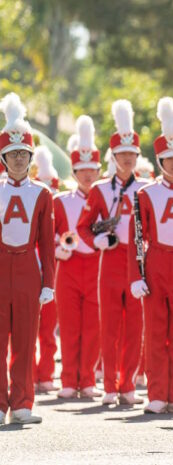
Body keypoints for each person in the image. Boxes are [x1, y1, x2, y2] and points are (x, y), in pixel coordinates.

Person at [128, 97, 173, 414]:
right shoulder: (145, 193)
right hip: (156, 264)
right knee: (156, 331)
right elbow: (135, 239)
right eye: (169, 158)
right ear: (159, 160)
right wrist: (136, 276)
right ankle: (157, 394)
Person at [77, 99, 149, 407]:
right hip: (109, 261)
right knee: (109, 326)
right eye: (122, 154)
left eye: (132, 154)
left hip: (136, 263)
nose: (128, 159)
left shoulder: (146, 188)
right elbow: (83, 226)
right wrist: (97, 241)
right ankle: (108, 385)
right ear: (113, 156)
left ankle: (128, 384)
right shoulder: (100, 190)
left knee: (135, 326)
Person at [0, 93, 55, 424]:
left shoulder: (42, 193)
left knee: (24, 341)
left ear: (31, 156)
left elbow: (47, 243)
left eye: (23, 153)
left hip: (27, 269)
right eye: (12, 154)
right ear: (3, 158)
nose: (19, 159)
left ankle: (22, 404)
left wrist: (49, 282)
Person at [54, 117, 102, 400]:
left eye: (92, 170)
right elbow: (51, 232)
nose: (87, 175)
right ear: (73, 172)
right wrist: (59, 246)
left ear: (98, 170)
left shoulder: (106, 197)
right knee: (70, 327)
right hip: (69, 267)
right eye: (81, 170)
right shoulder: (61, 200)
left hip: (96, 264)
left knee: (93, 327)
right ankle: (69, 380)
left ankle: (87, 380)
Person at [31, 145, 60, 394]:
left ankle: (47, 373)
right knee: (26, 332)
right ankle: (29, 373)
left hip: (52, 274)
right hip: (28, 271)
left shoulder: (57, 204)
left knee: (48, 330)